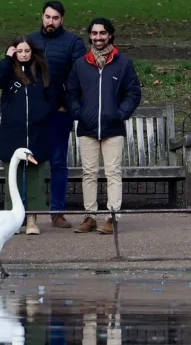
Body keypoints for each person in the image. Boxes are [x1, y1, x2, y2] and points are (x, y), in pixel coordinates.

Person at [66, 18, 141, 234]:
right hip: (87, 127)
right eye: (94, 33)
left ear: (110, 35)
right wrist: (79, 112)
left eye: (102, 33)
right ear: (90, 36)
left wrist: (120, 113)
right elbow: (71, 92)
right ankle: (90, 216)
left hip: (113, 128)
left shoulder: (123, 63)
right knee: (89, 173)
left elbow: (133, 92)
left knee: (113, 172)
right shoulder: (81, 64)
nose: (98, 37)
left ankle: (111, 217)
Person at [0, 35, 55, 235]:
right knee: (12, 178)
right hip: (12, 133)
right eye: (19, 51)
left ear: (32, 52)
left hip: (37, 133)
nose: (23, 55)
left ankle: (32, 219)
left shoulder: (41, 71)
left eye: (27, 51)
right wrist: (7, 60)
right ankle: (12, 220)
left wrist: (42, 113)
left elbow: (51, 97)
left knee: (36, 178)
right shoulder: (8, 71)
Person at [29, 1, 86, 229]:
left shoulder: (73, 43)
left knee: (58, 162)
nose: (50, 22)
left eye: (55, 18)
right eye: (47, 17)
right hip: (33, 112)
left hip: (59, 112)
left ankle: (58, 211)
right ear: (41, 17)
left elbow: (79, 76)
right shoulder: (30, 41)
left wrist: (66, 104)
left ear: (62, 19)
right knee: (30, 162)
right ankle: (28, 213)